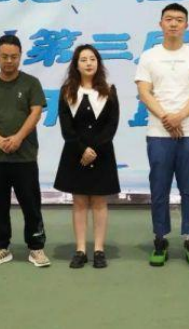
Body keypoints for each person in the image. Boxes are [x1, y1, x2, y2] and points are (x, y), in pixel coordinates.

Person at [135, 3, 189, 269]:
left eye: (179, 19)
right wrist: (167, 118)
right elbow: (144, 92)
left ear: (186, 25)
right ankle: (160, 238)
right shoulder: (149, 56)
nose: (174, 23)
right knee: (159, 189)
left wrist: (179, 117)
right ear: (161, 24)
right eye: (169, 19)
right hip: (158, 133)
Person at [0, 35, 50, 268]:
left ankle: (36, 248)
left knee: (31, 205)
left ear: (20, 57)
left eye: (14, 57)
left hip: (24, 156)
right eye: (4, 56)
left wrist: (18, 138)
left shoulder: (31, 83)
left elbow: (36, 112)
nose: (9, 61)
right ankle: (1, 247)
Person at [54, 45, 121, 269]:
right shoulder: (67, 92)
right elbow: (67, 128)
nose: (89, 63)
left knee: (100, 202)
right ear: (76, 65)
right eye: (83, 59)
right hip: (76, 154)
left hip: (102, 154)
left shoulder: (109, 90)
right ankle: (81, 250)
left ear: (98, 63)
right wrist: (82, 149)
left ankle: (99, 250)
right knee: (80, 202)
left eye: (92, 59)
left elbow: (111, 126)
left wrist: (94, 150)